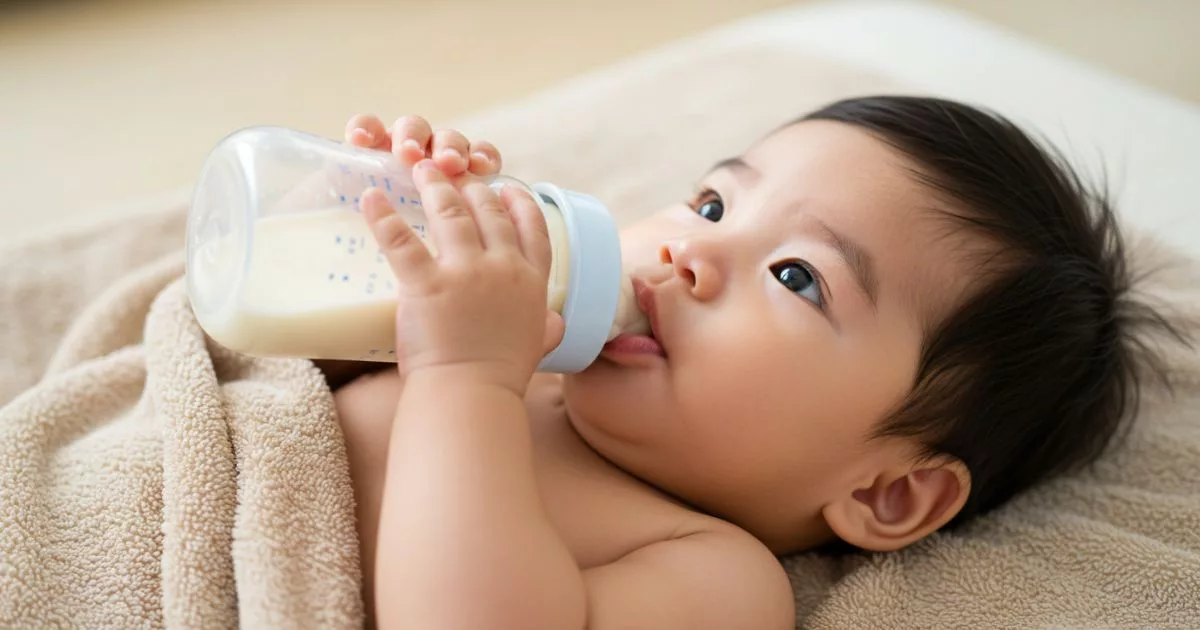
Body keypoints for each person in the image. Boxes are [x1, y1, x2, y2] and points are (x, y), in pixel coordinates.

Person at [328, 96, 1179, 629]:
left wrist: (462, 376)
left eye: (797, 277)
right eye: (712, 204)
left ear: (887, 493)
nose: (692, 251)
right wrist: (384, 218)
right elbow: (290, 362)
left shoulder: (713, 574)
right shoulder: (532, 341)